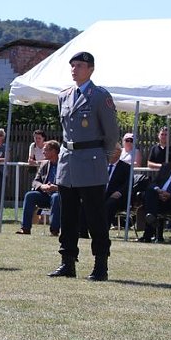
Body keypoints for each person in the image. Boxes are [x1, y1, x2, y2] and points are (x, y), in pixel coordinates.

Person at [49, 51, 119, 281]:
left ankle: (100, 265)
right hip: (68, 162)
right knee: (67, 216)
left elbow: (111, 133)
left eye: (79, 65)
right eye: (72, 65)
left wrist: (104, 157)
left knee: (95, 216)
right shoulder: (64, 96)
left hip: (91, 161)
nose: (74, 69)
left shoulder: (100, 96)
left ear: (90, 69)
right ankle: (67, 262)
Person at [15, 140, 60, 236]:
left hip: (59, 195)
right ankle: (25, 228)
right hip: (45, 195)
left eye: (45, 150)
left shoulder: (64, 165)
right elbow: (35, 181)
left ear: (53, 151)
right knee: (30, 195)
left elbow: (69, 182)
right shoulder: (44, 164)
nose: (43, 152)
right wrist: (42, 186)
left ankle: (54, 230)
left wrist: (56, 187)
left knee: (56, 197)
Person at [102, 146, 132, 227]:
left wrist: (119, 192)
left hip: (117, 196)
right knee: (86, 202)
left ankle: (104, 229)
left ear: (119, 153)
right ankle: (83, 231)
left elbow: (128, 184)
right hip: (101, 193)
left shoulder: (126, 167)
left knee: (110, 204)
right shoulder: (103, 164)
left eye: (112, 150)